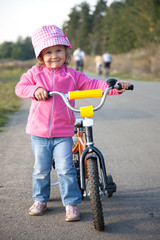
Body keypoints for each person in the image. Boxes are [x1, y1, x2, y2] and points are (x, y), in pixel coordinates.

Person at [15, 25, 131, 222]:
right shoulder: (35, 74)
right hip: (39, 133)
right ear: (41, 56)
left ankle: (71, 203)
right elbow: (20, 87)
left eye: (58, 50)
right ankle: (40, 200)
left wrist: (114, 87)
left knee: (66, 168)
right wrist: (35, 90)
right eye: (48, 52)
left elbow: (94, 85)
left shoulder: (72, 75)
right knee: (41, 170)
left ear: (66, 52)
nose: (54, 55)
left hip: (62, 133)